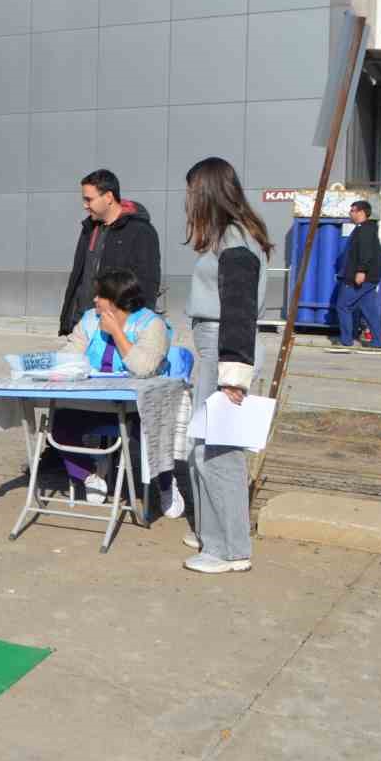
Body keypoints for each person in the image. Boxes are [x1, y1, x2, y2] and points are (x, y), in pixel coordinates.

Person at [181, 157, 272, 575]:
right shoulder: (229, 237)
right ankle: (212, 532)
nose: (187, 201)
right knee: (204, 446)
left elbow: (239, 308)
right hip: (215, 347)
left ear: (206, 194)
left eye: (190, 192)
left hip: (225, 347)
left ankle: (230, 549)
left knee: (218, 453)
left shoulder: (235, 240)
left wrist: (233, 376)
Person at [56, 268, 179, 509]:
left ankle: (165, 483)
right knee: (58, 424)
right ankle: (89, 474)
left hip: (137, 406)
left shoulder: (152, 324)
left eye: (99, 296)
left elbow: (143, 368)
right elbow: (68, 355)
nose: (94, 300)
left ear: (114, 302)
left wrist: (116, 333)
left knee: (153, 434)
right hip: (94, 400)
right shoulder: (90, 319)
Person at [58, 169, 162, 336]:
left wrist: (138, 328)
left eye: (89, 199)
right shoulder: (89, 229)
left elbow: (148, 284)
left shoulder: (141, 231)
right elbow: (77, 278)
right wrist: (66, 321)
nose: (85, 205)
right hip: (81, 324)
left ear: (108, 197)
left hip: (116, 328)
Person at [332, 199, 381, 352]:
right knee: (369, 309)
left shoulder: (365, 230)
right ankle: (377, 342)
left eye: (352, 210)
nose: (350, 213)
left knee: (343, 306)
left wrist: (361, 271)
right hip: (370, 277)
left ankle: (346, 341)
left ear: (361, 212)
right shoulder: (364, 229)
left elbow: (365, 253)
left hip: (360, 277)